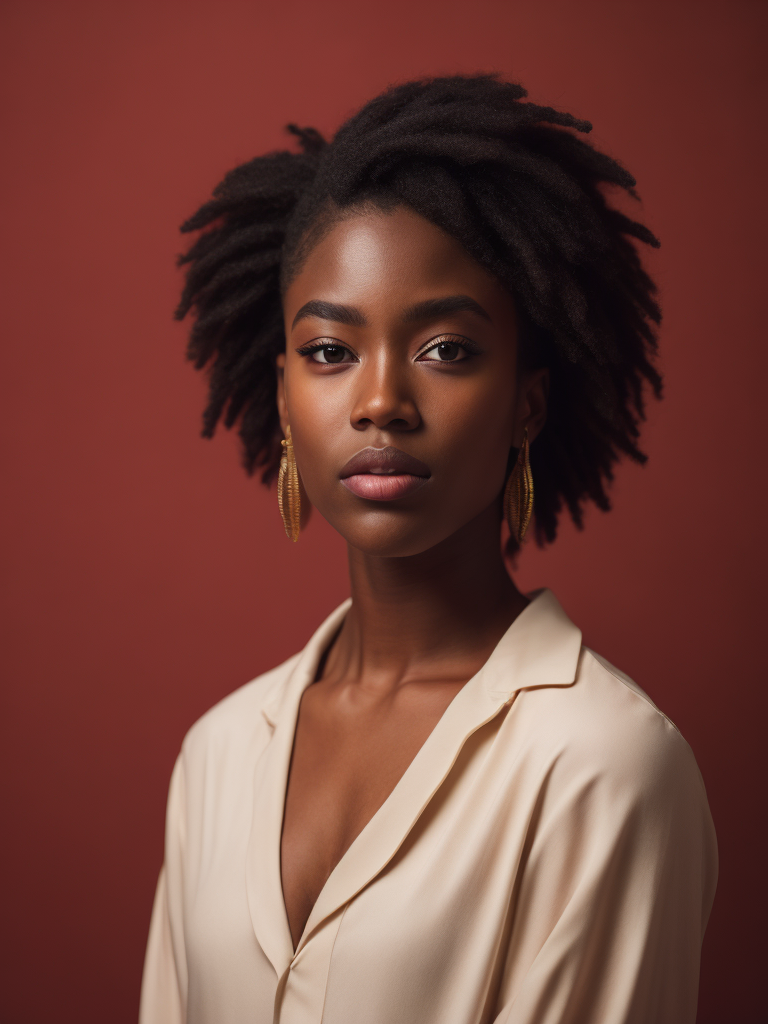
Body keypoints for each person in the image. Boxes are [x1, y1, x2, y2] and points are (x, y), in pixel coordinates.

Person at [139, 75, 717, 1024]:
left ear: (527, 400)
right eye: (330, 351)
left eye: (446, 348)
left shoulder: (603, 767)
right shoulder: (219, 752)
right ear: (283, 393)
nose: (380, 401)